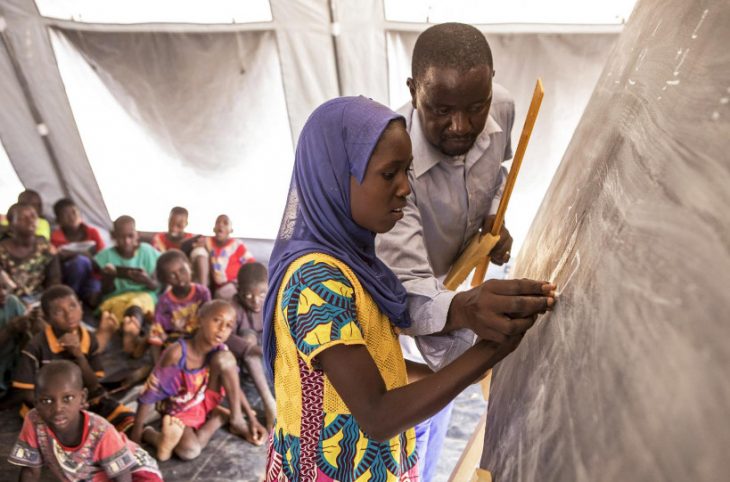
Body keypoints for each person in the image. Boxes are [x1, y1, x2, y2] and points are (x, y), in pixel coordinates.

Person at [262, 96, 554, 481]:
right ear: (334, 176)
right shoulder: (316, 279)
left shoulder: (355, 264)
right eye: (389, 174)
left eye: (408, 171)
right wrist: (490, 352)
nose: (405, 188)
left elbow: (377, 370)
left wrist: (471, 363)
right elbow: (378, 414)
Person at [374, 23, 553, 480]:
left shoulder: (506, 108)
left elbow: (497, 173)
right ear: (414, 91)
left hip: (451, 284)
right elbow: (408, 294)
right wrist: (467, 316)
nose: (462, 126)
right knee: (409, 415)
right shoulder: (394, 166)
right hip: (401, 293)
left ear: (492, 85)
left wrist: (495, 220)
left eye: (476, 107)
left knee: (438, 412)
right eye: (441, 110)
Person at [130, 300, 266, 461]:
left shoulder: (220, 350)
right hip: (179, 409)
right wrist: (136, 437)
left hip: (205, 399)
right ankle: (154, 434)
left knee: (226, 359)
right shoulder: (176, 354)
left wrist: (251, 418)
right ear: (200, 319)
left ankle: (235, 420)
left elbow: (234, 386)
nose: (222, 329)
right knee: (189, 451)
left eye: (229, 325)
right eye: (217, 320)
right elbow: (148, 395)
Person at [8, 360, 162, 482]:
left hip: (134, 471)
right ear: (35, 402)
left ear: (82, 398)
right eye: (46, 401)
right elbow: (30, 471)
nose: (58, 409)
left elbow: (122, 476)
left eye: (67, 398)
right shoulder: (34, 420)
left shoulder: (101, 430)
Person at [13, 285, 136, 433]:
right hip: (47, 405)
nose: (69, 315)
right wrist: (59, 407)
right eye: (59, 312)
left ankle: (149, 436)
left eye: (73, 306)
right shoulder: (36, 346)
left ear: (81, 307)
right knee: (57, 428)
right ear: (47, 318)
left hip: (81, 401)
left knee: (120, 413)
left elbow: (93, 384)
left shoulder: (89, 338)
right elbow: (26, 393)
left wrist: (78, 355)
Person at [94, 216, 160, 354]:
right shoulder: (104, 257)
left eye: (130, 236)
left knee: (136, 304)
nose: (126, 241)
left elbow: (155, 286)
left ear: (138, 235)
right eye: (121, 237)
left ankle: (132, 331)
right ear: (114, 236)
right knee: (115, 312)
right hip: (116, 297)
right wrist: (108, 277)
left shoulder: (147, 252)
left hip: (144, 295)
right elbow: (104, 291)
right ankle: (125, 334)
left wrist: (145, 280)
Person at [227, 262, 275, 430]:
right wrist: (251, 349)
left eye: (262, 294)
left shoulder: (273, 299)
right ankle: (269, 404)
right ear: (238, 290)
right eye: (248, 295)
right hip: (248, 358)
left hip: (269, 352)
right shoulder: (233, 307)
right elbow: (226, 337)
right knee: (248, 337)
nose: (255, 301)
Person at [149, 249, 211, 361]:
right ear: (164, 280)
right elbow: (156, 336)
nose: (179, 277)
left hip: (201, 340)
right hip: (177, 345)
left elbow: (209, 323)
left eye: (182, 270)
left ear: (190, 267)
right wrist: (158, 367)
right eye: (172, 275)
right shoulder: (164, 302)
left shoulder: (202, 293)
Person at [0, 203, 61, 306]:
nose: (30, 220)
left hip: (39, 300)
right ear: (11, 224)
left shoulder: (46, 248)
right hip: (9, 302)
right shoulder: (2, 251)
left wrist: (46, 303)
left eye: (33, 216)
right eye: (22, 218)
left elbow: (54, 281)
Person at [50, 198, 104, 307]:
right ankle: (71, 297)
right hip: (68, 279)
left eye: (74, 212)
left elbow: (103, 259)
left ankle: (85, 299)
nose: (71, 217)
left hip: (92, 275)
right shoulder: (55, 238)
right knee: (79, 262)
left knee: (95, 297)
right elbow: (54, 263)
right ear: (58, 220)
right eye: (66, 214)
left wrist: (81, 255)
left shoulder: (92, 232)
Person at [205, 214, 254, 300]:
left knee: (227, 294)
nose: (221, 225)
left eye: (225, 223)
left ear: (231, 230)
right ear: (214, 229)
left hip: (235, 283)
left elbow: (251, 264)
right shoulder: (208, 241)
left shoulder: (237, 245)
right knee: (222, 293)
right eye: (218, 222)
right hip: (219, 286)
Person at [0, 284, 30, 398]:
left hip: (13, 364)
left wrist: (30, 321)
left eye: (3, 287)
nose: (2, 293)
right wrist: (9, 330)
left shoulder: (11, 302)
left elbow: (27, 334)